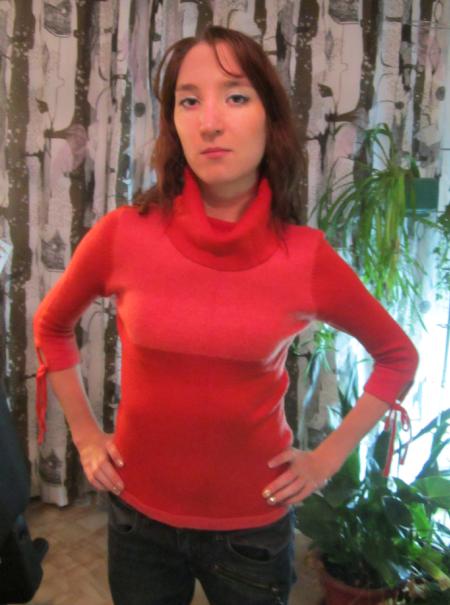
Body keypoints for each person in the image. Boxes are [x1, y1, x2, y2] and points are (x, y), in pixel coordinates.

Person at [33, 25, 418, 605]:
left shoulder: (305, 256)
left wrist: (325, 459)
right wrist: (87, 437)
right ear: (174, 123)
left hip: (252, 529)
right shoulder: (123, 234)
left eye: (235, 96)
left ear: (271, 119)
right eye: (189, 101)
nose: (209, 122)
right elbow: (51, 326)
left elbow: (397, 356)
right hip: (139, 521)